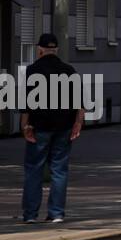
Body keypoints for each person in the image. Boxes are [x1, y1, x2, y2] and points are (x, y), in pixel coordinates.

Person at [20, 34, 84, 224]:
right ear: (56, 50)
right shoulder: (69, 70)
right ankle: (56, 213)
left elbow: (27, 103)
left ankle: (30, 215)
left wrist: (25, 126)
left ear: (39, 50)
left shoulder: (33, 71)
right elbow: (80, 102)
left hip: (39, 127)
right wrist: (78, 123)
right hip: (63, 127)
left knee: (33, 170)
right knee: (59, 170)